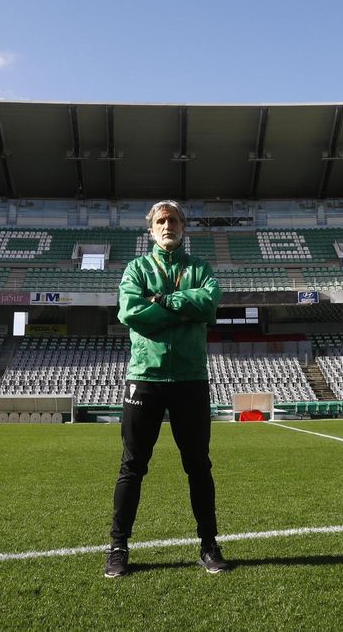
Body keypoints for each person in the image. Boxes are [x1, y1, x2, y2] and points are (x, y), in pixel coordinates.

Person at [104, 200, 230, 578]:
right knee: (132, 465)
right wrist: (184, 310)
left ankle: (209, 545)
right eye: (161, 220)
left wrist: (163, 300)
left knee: (199, 466)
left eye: (174, 219)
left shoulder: (200, 268)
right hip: (146, 377)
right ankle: (118, 546)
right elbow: (130, 312)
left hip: (191, 378)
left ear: (183, 227)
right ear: (151, 230)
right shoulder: (137, 268)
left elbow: (209, 304)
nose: (167, 225)